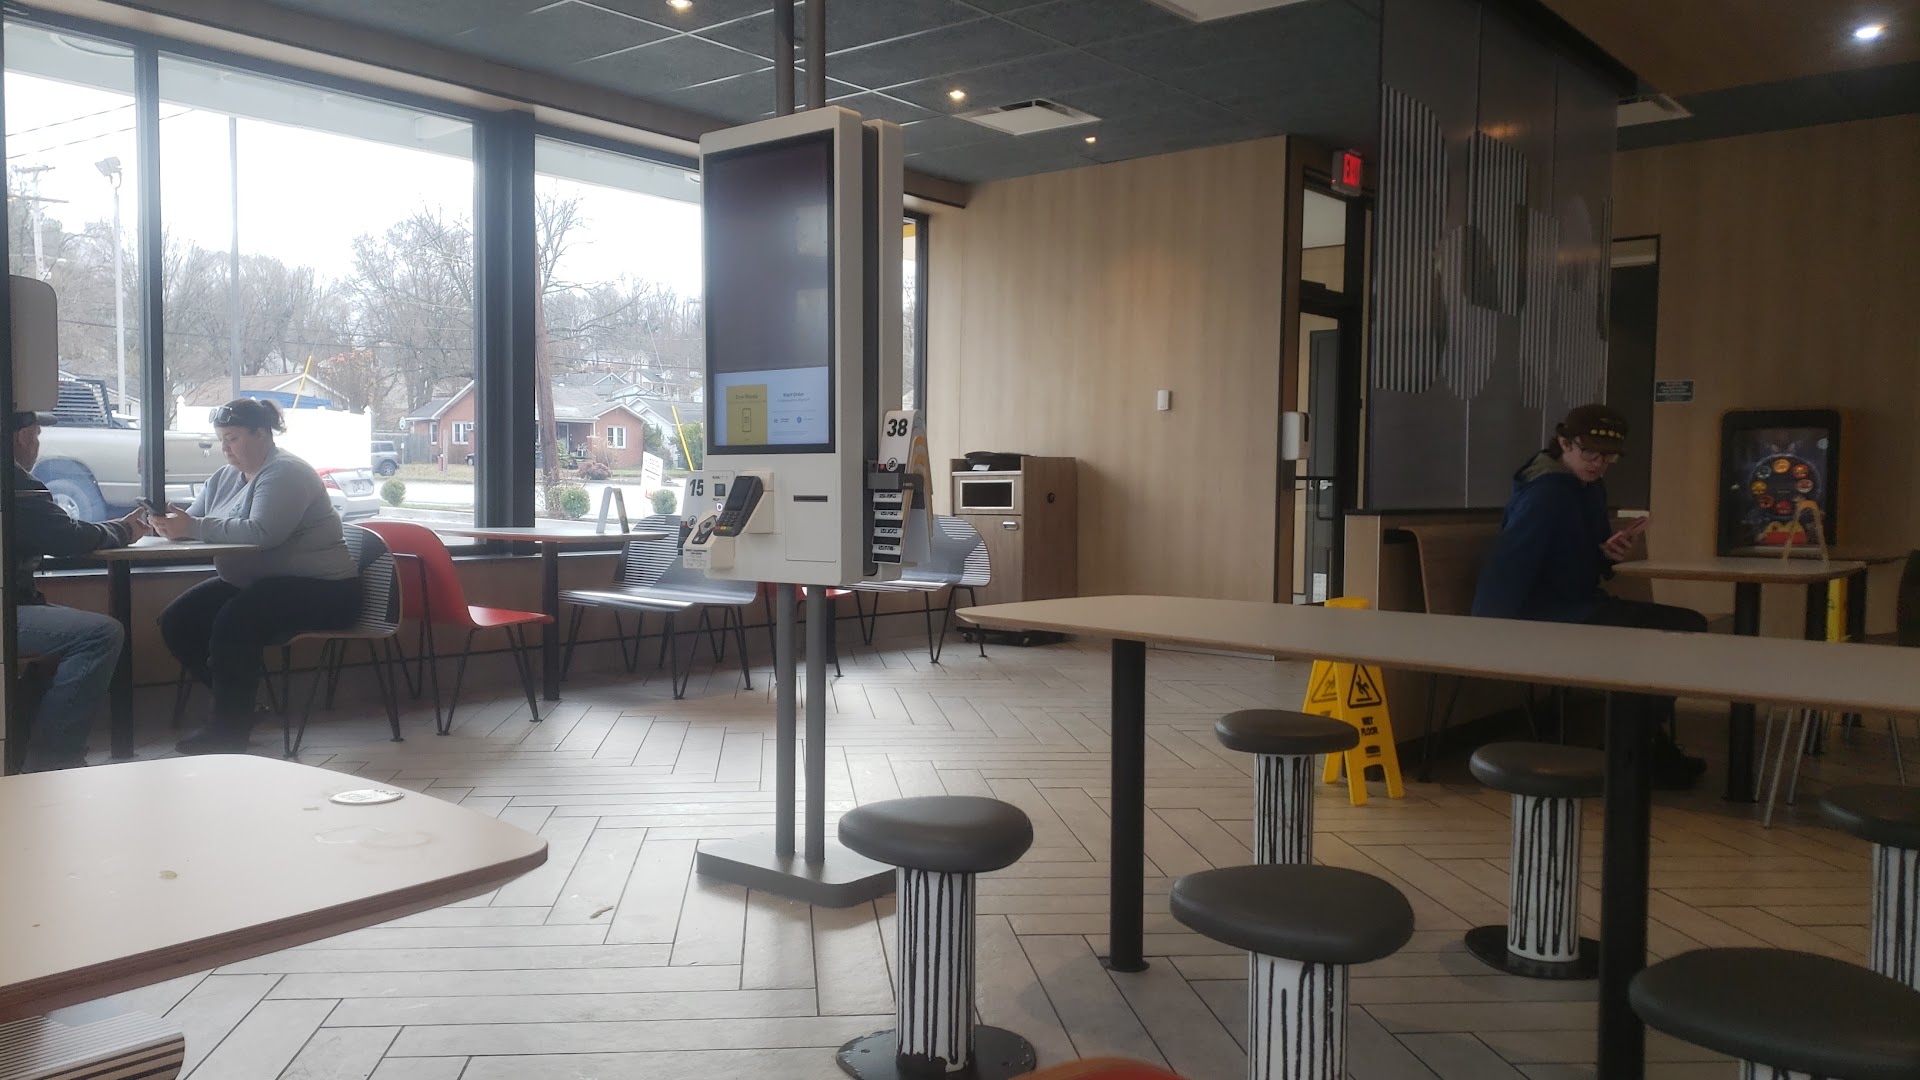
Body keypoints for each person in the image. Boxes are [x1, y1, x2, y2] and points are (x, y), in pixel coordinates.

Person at [1472, 403, 1708, 784]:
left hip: (1578, 606)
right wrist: (1484, 636)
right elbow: (1508, 567)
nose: (1600, 464)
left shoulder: (1589, 487)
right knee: (1681, 629)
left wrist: (1607, 555)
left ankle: (1638, 744)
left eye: (1609, 456)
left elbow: (1581, 559)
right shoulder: (1546, 495)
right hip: (1546, 618)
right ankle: (1631, 749)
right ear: (1564, 443)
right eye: (1590, 453)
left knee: (1682, 627)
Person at [148, 398, 359, 754]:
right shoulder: (225, 477)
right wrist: (171, 525)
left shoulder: (285, 473)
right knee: (178, 620)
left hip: (327, 591)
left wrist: (193, 527)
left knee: (234, 621)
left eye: (232, 438)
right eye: (221, 440)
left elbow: (263, 533)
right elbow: (195, 522)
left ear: (261, 434)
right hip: (262, 585)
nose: (225, 448)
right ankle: (244, 707)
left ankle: (228, 731)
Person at [8, 410, 149, 771]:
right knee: (100, 634)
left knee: (63, 642)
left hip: (15, 604)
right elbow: (66, 537)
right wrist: (125, 530)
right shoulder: (15, 483)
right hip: (9, 611)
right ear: (24, 436)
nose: (37, 446)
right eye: (37, 436)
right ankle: (54, 757)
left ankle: (25, 743)